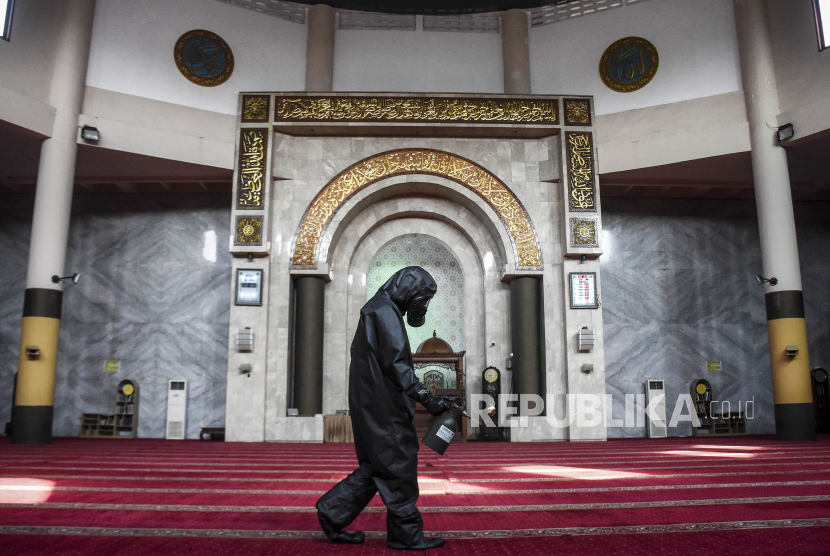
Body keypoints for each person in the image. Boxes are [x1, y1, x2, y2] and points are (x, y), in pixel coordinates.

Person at [316, 266, 451, 550]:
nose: (423, 306)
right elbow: (397, 365)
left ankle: (332, 512)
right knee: (399, 465)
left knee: (379, 467)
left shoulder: (379, 309)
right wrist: (427, 397)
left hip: (374, 406)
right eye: (423, 298)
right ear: (408, 289)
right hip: (383, 409)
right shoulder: (383, 313)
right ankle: (406, 535)